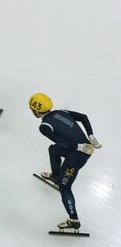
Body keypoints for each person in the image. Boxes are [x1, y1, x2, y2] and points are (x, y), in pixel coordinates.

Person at [29, 93, 102, 230]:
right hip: (84, 148)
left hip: (76, 156)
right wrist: (90, 136)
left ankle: (73, 219)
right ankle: (56, 176)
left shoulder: (44, 126)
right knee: (53, 150)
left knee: (65, 187)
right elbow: (83, 117)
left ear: (36, 110)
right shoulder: (61, 112)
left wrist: (79, 147)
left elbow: (60, 141)